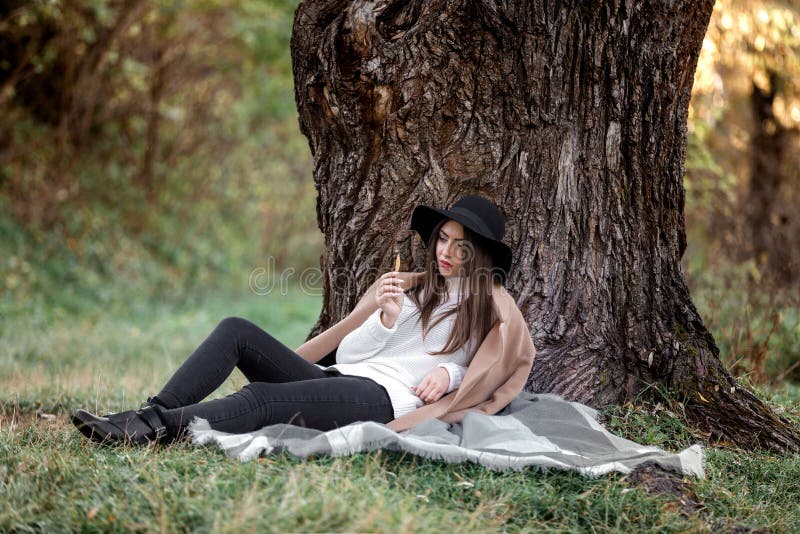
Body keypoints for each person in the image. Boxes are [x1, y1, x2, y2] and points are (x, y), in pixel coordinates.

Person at [71, 195, 535, 445]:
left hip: (382, 400)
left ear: (481, 254)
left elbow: (491, 370)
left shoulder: (492, 304)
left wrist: (448, 371)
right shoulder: (414, 289)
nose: (446, 253)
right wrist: (386, 320)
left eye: (461, 245)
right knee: (236, 329)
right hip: (343, 377)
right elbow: (350, 353)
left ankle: (154, 430)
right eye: (442, 239)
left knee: (262, 398)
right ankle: (146, 415)